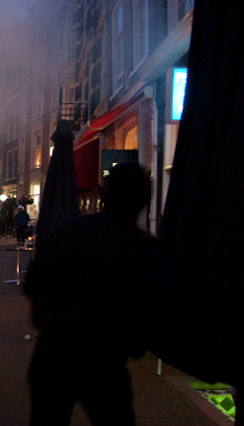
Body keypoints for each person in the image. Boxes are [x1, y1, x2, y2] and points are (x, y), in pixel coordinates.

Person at [23, 163, 156, 426]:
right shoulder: (144, 249)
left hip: (52, 355)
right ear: (144, 201)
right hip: (105, 363)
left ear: (105, 195)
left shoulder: (66, 232)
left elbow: (32, 284)